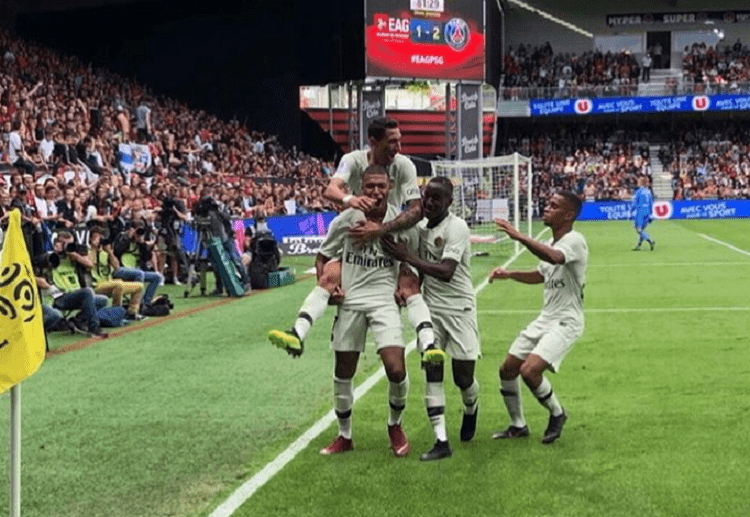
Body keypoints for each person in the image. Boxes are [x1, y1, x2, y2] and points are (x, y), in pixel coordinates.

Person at [267, 117, 436, 360]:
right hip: (357, 234)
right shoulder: (352, 160)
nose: (398, 148)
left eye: (400, 141)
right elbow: (332, 188)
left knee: (408, 284)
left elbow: (415, 210)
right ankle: (298, 332)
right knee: (330, 274)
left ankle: (428, 345)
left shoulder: (404, 165)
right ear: (373, 142)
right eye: (392, 142)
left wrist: (380, 229)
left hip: (390, 234)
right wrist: (350, 200)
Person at [312, 165, 414, 456]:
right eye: (370, 186)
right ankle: (345, 436)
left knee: (396, 368)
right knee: (344, 370)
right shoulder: (347, 219)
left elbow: (410, 257)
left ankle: (395, 425)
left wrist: (404, 281)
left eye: (381, 186)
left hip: (385, 301)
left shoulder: (401, 220)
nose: (376, 192)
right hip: (352, 300)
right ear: (361, 187)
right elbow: (323, 256)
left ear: (390, 186)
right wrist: (328, 288)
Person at [381, 177, 480, 461]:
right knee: (432, 370)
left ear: (449, 202)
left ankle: (472, 406)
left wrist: (406, 256)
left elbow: (447, 270)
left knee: (463, 378)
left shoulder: (457, 227)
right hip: (432, 310)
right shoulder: (421, 228)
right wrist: (409, 289)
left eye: (437, 198)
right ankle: (441, 440)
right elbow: (422, 272)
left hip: (460, 309)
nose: (430, 202)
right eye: (427, 196)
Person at [489, 191, 587, 445]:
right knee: (507, 369)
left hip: (567, 320)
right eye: (548, 203)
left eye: (554, 206)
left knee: (529, 371)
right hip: (546, 318)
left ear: (568, 215)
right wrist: (509, 274)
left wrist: (519, 236)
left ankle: (557, 413)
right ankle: (518, 425)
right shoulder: (553, 244)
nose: (546, 208)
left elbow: (554, 258)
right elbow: (540, 274)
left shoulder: (574, 240)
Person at [87, 226, 144, 320]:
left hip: (109, 282)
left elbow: (117, 266)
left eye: (100, 237)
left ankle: (132, 312)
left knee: (139, 286)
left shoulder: (105, 252)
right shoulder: (87, 252)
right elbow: (90, 264)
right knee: (119, 284)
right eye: (97, 237)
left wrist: (109, 251)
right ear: (90, 239)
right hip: (97, 285)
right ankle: (116, 313)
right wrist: (93, 247)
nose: (99, 240)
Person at [631, 177, 655, 251]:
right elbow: (651, 203)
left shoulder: (638, 192)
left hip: (640, 211)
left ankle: (650, 240)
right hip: (647, 212)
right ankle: (638, 246)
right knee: (642, 230)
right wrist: (651, 214)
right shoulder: (648, 192)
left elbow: (635, 203)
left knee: (638, 229)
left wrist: (631, 210)